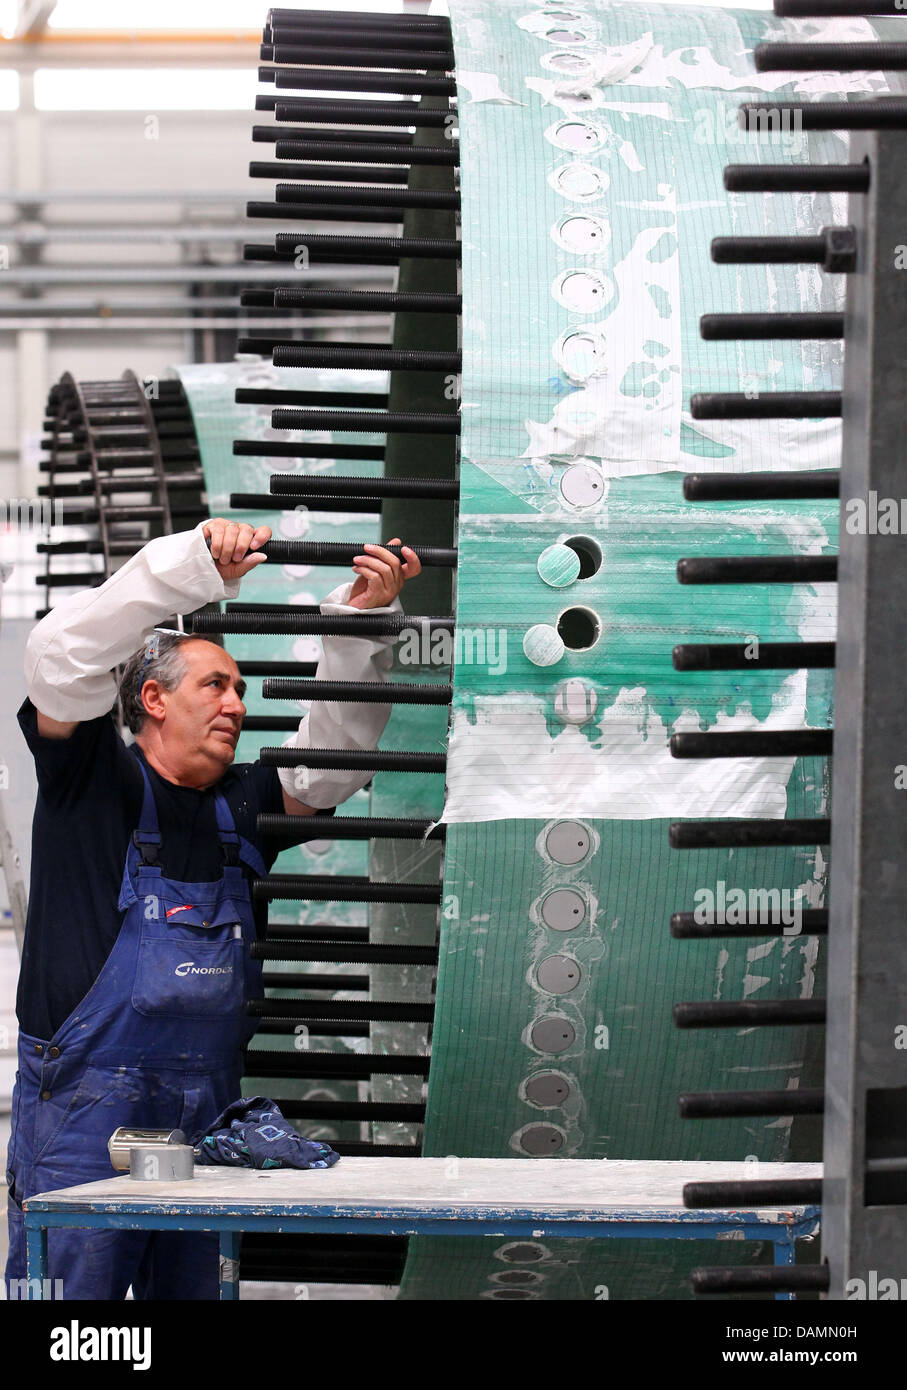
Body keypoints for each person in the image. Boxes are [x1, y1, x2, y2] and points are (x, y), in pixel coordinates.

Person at [4, 516, 421, 1300]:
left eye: (239, 688)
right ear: (152, 698)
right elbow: (59, 659)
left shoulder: (243, 806)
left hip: (205, 1112)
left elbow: (333, 763)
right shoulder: (92, 782)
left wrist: (358, 624)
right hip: (82, 1116)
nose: (234, 703)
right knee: (71, 1330)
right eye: (214, 685)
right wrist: (186, 565)